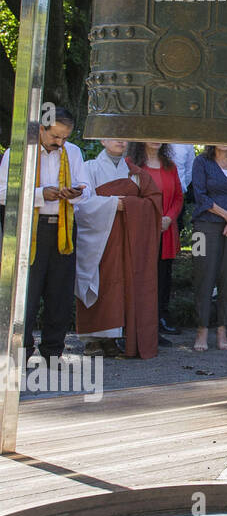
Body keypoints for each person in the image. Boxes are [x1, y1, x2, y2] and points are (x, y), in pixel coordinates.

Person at [0, 108, 92, 361]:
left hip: (63, 228)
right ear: (41, 128)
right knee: (26, 294)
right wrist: (41, 194)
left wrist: (77, 192)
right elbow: (4, 192)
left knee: (60, 294)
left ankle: (53, 352)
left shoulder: (72, 152)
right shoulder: (18, 151)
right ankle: (20, 352)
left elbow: (88, 190)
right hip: (31, 229)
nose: (60, 142)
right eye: (55, 136)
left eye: (65, 137)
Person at [75, 139, 163, 359]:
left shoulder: (135, 173)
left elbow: (153, 204)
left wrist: (131, 206)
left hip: (126, 235)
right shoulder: (89, 168)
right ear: (103, 140)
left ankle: (112, 338)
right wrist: (115, 204)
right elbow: (81, 204)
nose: (120, 141)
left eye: (123, 137)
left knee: (119, 283)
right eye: (113, 136)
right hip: (97, 238)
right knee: (98, 279)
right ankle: (91, 339)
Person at [191, 145, 227, 352]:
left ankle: (223, 329)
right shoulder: (201, 162)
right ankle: (202, 329)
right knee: (203, 276)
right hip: (203, 227)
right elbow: (200, 196)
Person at [130, 142, 183, 344]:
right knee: (143, 278)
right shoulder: (131, 165)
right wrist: (150, 219)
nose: (155, 139)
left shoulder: (170, 165)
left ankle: (159, 319)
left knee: (162, 276)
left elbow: (178, 197)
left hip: (165, 229)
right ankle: (140, 326)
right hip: (142, 230)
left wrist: (169, 217)